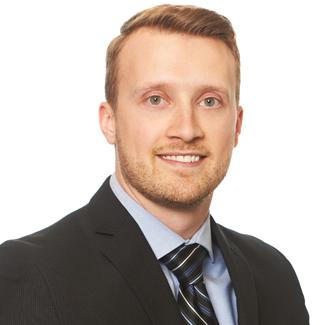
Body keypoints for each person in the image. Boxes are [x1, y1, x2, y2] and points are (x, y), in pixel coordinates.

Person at [0, 4, 309, 325]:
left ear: (237, 125)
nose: (187, 129)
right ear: (110, 122)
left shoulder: (273, 275)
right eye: (156, 99)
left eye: (210, 101)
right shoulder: (27, 274)